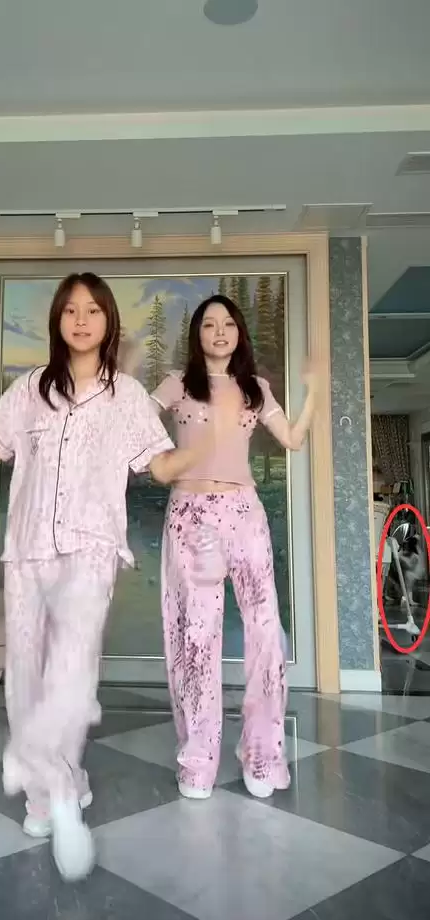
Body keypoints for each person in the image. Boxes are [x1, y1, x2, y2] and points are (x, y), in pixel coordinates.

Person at [0, 272, 215, 882]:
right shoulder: (30, 389)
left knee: (71, 673)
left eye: (92, 310)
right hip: (27, 551)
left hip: (90, 548)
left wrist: (208, 444)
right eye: (70, 310)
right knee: (26, 674)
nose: (80, 319)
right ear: (57, 320)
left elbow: (157, 465)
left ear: (108, 321)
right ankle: (49, 792)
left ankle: (49, 776)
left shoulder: (127, 395)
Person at [150, 295, 317, 800]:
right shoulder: (176, 384)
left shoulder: (255, 388)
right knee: (195, 639)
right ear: (197, 334)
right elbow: (137, 426)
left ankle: (262, 753)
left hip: (244, 515)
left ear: (239, 333)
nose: (219, 331)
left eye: (228, 323)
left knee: (265, 632)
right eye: (209, 324)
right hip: (190, 517)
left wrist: (313, 392)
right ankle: (197, 758)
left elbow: (292, 439)